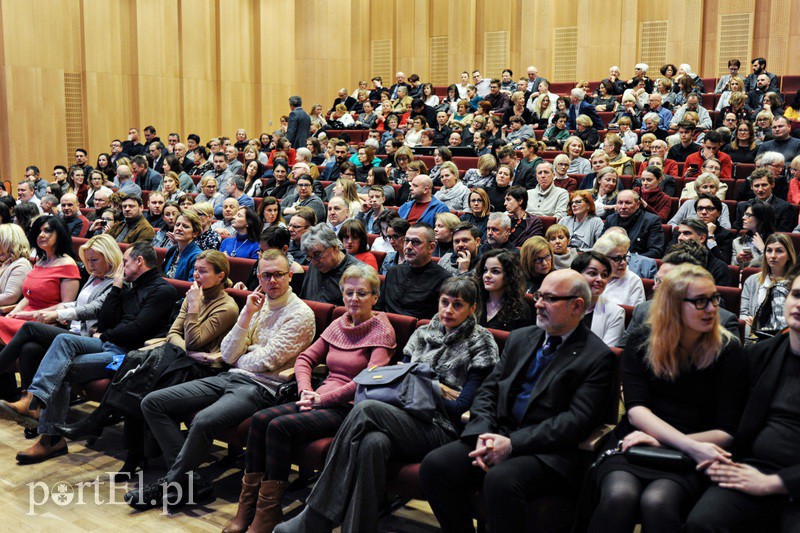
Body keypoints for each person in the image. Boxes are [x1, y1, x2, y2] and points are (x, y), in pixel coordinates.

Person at [276, 277, 500, 533]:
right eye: (444, 302)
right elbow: (399, 382)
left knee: (365, 408)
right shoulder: (424, 333)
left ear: (472, 308)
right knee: (372, 443)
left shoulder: (481, 343)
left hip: (442, 430)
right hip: (402, 419)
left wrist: (424, 385)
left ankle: (315, 517)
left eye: (457, 305)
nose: (448, 310)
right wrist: (435, 388)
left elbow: (461, 406)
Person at [420, 270, 614, 532]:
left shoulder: (597, 356)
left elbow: (574, 422)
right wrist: (483, 432)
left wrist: (512, 445)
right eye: (539, 295)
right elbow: (489, 390)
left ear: (577, 305)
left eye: (549, 298)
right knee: (435, 466)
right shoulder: (522, 337)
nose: (538, 303)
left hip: (548, 453)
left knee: (501, 479)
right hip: (498, 432)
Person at [126, 250, 314, 509]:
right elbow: (227, 353)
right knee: (153, 402)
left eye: (278, 275)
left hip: (261, 388)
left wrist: (238, 356)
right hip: (229, 376)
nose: (272, 281)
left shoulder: (301, 314)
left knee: (203, 420)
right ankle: (192, 481)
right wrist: (247, 315)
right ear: (258, 277)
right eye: (266, 275)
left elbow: (266, 361)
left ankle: (169, 484)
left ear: (289, 276)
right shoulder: (256, 305)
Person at [223, 264, 395, 532]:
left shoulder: (381, 330)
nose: (354, 299)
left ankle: (267, 513)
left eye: (362, 294)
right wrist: (305, 389)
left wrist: (321, 400)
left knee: (279, 427)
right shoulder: (340, 324)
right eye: (348, 293)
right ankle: (248, 508)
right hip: (315, 398)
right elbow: (305, 359)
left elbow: (369, 379)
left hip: (350, 409)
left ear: (375, 297)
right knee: (259, 420)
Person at [584, 263, 747, 533]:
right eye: (700, 301)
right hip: (637, 438)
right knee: (619, 495)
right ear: (673, 305)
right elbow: (637, 411)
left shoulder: (729, 351)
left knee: (657, 501)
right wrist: (663, 441)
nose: (711, 309)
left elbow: (727, 431)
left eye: (714, 299)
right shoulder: (640, 342)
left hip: (697, 448)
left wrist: (664, 443)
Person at [13, 243, 177, 464]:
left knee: (61, 369)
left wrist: (106, 335)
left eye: (125, 262)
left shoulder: (163, 291)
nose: (121, 266)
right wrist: (117, 287)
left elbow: (138, 329)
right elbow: (107, 319)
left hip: (128, 358)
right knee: (63, 340)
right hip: (110, 345)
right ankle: (36, 397)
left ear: (139, 261)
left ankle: (50, 438)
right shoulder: (129, 286)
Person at [684, 271, 800, 532]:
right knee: (702, 522)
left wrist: (774, 483)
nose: (799, 304)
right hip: (751, 468)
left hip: (792, 480)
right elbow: (727, 417)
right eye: (796, 294)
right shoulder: (760, 355)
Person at [0, 233, 117, 403]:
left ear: (110, 257)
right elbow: (77, 304)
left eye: (95, 260)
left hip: (89, 337)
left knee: (29, 328)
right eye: (88, 260)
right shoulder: (94, 277)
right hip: (73, 329)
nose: (90, 266)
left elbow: (94, 308)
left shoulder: (116, 283)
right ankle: (30, 401)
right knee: (29, 348)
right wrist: (31, 313)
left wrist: (56, 314)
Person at [0, 217, 81, 346]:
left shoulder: (68, 265)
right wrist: (13, 313)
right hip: (25, 315)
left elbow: (67, 304)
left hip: (46, 319)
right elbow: (29, 296)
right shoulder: (41, 261)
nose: (41, 235)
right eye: (38, 231)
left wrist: (31, 314)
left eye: (47, 230)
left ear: (59, 234)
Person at [740, 233, 795, 339]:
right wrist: (748, 320)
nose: (773, 256)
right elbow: (743, 312)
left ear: (789, 255)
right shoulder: (752, 281)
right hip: (754, 335)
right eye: (769, 250)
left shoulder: (796, 283)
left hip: (786, 336)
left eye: (779, 251)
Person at [299, 224, 362, 306]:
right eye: (310, 257)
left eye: (317, 254)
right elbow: (304, 299)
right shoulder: (315, 263)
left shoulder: (359, 272)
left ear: (335, 248)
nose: (314, 262)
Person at [570, 251, 625, 347]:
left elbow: (605, 355)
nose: (600, 279)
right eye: (592, 273)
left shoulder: (615, 313)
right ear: (576, 275)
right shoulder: (561, 303)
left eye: (604, 275)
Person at [473, 249, 531, 331]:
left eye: (495, 271)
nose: (487, 275)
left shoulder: (520, 310)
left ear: (509, 276)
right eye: (485, 270)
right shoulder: (475, 300)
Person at [603, 190, 665, 259]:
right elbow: (600, 245)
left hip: (637, 264)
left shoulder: (652, 221)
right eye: (620, 203)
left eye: (628, 203)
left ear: (638, 204)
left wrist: (628, 258)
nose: (623, 207)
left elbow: (656, 252)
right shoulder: (610, 219)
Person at [592, 231, 646, 307]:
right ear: (602, 258)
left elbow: (635, 315)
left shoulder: (633, 280)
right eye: (617, 258)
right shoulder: (590, 277)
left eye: (625, 257)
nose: (623, 262)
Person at [162, 210, 203, 281]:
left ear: (195, 233)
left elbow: (191, 286)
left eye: (185, 226)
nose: (179, 228)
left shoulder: (197, 256)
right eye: (177, 225)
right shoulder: (172, 250)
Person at [733, 201, 776, 268]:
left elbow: (776, 267)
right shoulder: (737, 242)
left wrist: (763, 249)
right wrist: (738, 260)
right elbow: (732, 270)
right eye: (745, 214)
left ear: (761, 218)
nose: (743, 217)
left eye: (748, 215)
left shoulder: (776, 242)